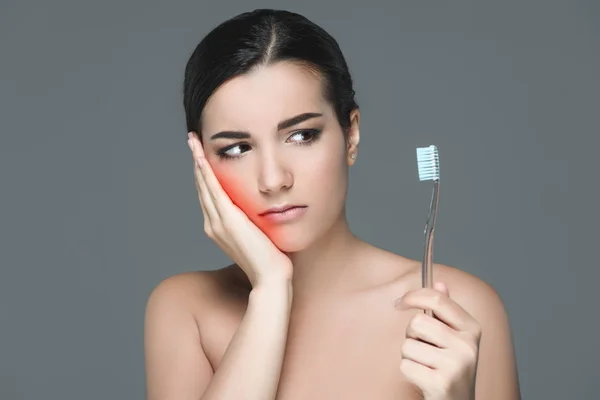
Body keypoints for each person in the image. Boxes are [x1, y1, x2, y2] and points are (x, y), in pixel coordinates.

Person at [144, 9, 520, 400]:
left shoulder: (455, 311)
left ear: (351, 134)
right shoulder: (185, 309)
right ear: (201, 159)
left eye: (302, 135)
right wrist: (271, 290)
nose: (274, 180)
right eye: (237, 148)